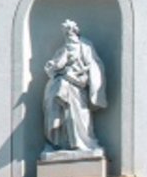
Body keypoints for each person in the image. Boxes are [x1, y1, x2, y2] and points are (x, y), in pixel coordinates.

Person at [42, 19, 107, 156]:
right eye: (66, 32)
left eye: (70, 31)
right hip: (63, 85)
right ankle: (63, 144)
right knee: (64, 117)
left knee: (79, 115)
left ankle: (84, 143)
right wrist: (55, 68)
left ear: (75, 32)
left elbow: (94, 65)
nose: (68, 34)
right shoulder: (62, 50)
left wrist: (84, 75)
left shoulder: (85, 47)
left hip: (78, 87)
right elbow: (54, 67)